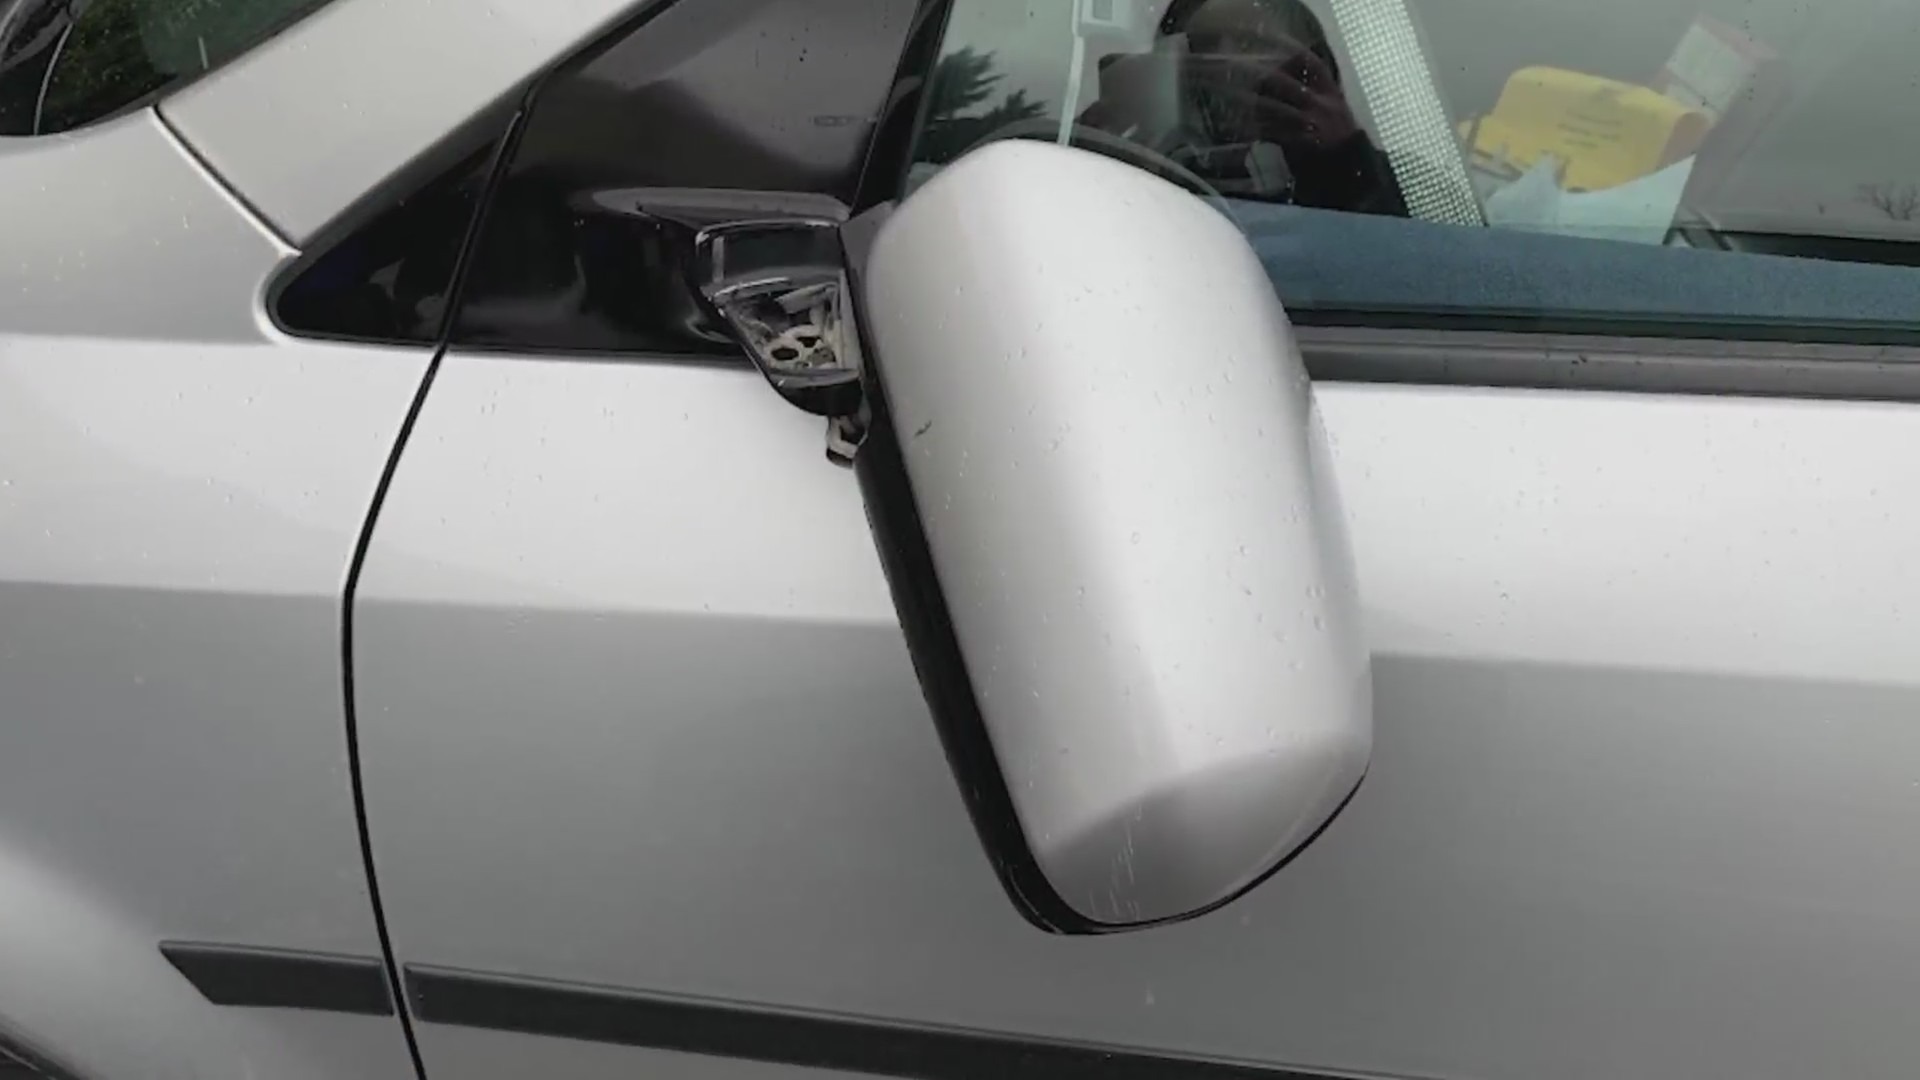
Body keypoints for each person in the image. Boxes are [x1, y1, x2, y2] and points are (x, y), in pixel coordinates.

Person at [1091, 0, 1408, 216]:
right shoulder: (1118, 166)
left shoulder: (1410, 187)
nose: (1227, 65)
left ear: (1312, 72)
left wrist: (1345, 160)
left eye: (1249, 45)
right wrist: (1111, 145)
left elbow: (1418, 265)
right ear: (1169, 70)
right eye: (1204, 47)